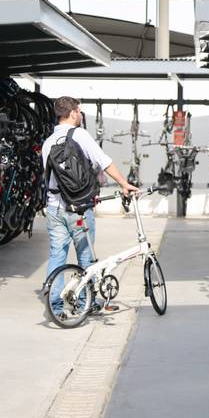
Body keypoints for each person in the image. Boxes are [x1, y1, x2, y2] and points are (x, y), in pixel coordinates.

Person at [43, 96, 139, 316]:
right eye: (79, 111)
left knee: (57, 254)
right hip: (78, 207)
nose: (80, 114)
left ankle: (54, 306)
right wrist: (123, 183)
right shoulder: (80, 135)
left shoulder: (48, 141)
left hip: (54, 207)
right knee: (85, 256)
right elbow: (104, 161)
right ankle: (87, 302)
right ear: (73, 113)